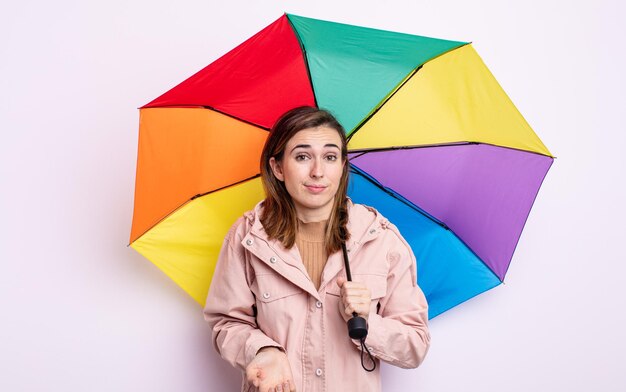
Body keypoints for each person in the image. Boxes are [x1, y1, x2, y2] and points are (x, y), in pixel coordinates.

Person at [204, 106, 430, 392]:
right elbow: (226, 322)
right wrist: (262, 351)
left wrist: (368, 322)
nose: (318, 171)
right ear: (277, 168)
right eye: (302, 156)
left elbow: (415, 346)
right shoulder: (248, 238)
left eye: (330, 156)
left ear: (343, 165)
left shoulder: (381, 240)